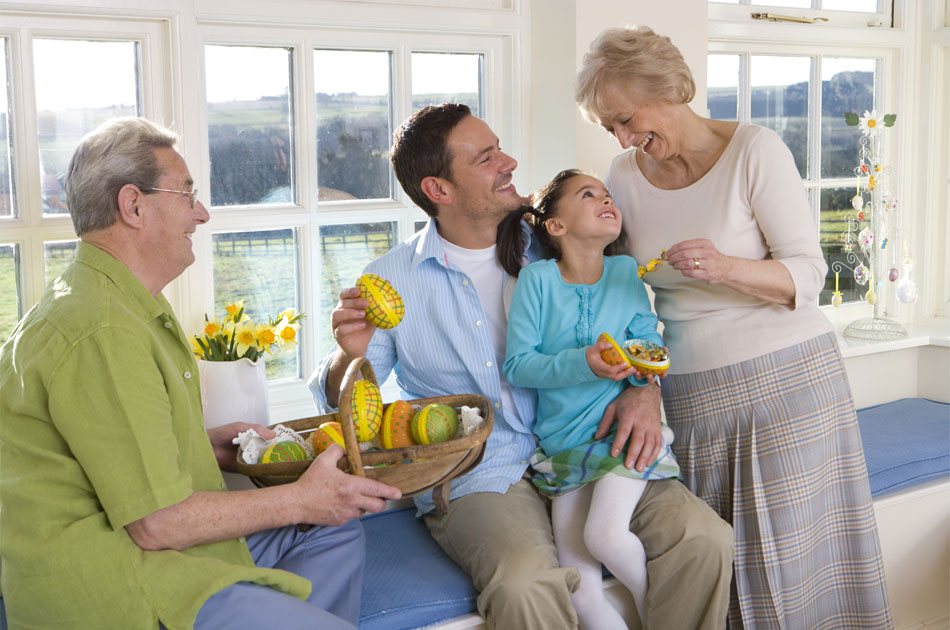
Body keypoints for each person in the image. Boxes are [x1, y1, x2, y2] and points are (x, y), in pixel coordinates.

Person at [309, 103, 734, 630]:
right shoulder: (392, 278)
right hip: (481, 471)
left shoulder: (557, 245)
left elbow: (635, 326)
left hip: (586, 439)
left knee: (705, 540)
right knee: (524, 584)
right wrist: (348, 352)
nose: (508, 161)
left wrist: (644, 391)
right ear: (439, 190)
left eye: (499, 147)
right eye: (487, 158)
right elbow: (342, 405)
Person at [0, 117, 401, 630]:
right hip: (123, 583)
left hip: (159, 550)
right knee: (315, 513)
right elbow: (157, 523)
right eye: (187, 194)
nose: (203, 213)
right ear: (133, 205)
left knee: (333, 528)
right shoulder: (103, 329)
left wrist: (196, 442)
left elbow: (101, 443)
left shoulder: (114, 301)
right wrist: (302, 497)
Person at [575, 26, 893, 630]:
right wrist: (642, 382)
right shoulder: (623, 175)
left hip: (793, 385)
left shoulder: (755, 149)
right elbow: (621, 300)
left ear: (664, 87)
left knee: (801, 570)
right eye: (609, 128)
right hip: (694, 397)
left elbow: (809, 276)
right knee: (732, 575)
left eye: (624, 119)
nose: (622, 138)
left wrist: (724, 267)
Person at [499, 169, 682, 629]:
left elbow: (647, 337)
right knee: (580, 593)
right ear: (555, 226)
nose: (606, 200)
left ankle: (659, 619)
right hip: (563, 446)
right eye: (588, 194)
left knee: (604, 536)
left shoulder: (624, 272)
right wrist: (585, 362)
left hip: (622, 437)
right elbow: (518, 365)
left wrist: (646, 368)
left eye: (607, 195)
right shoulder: (536, 281)